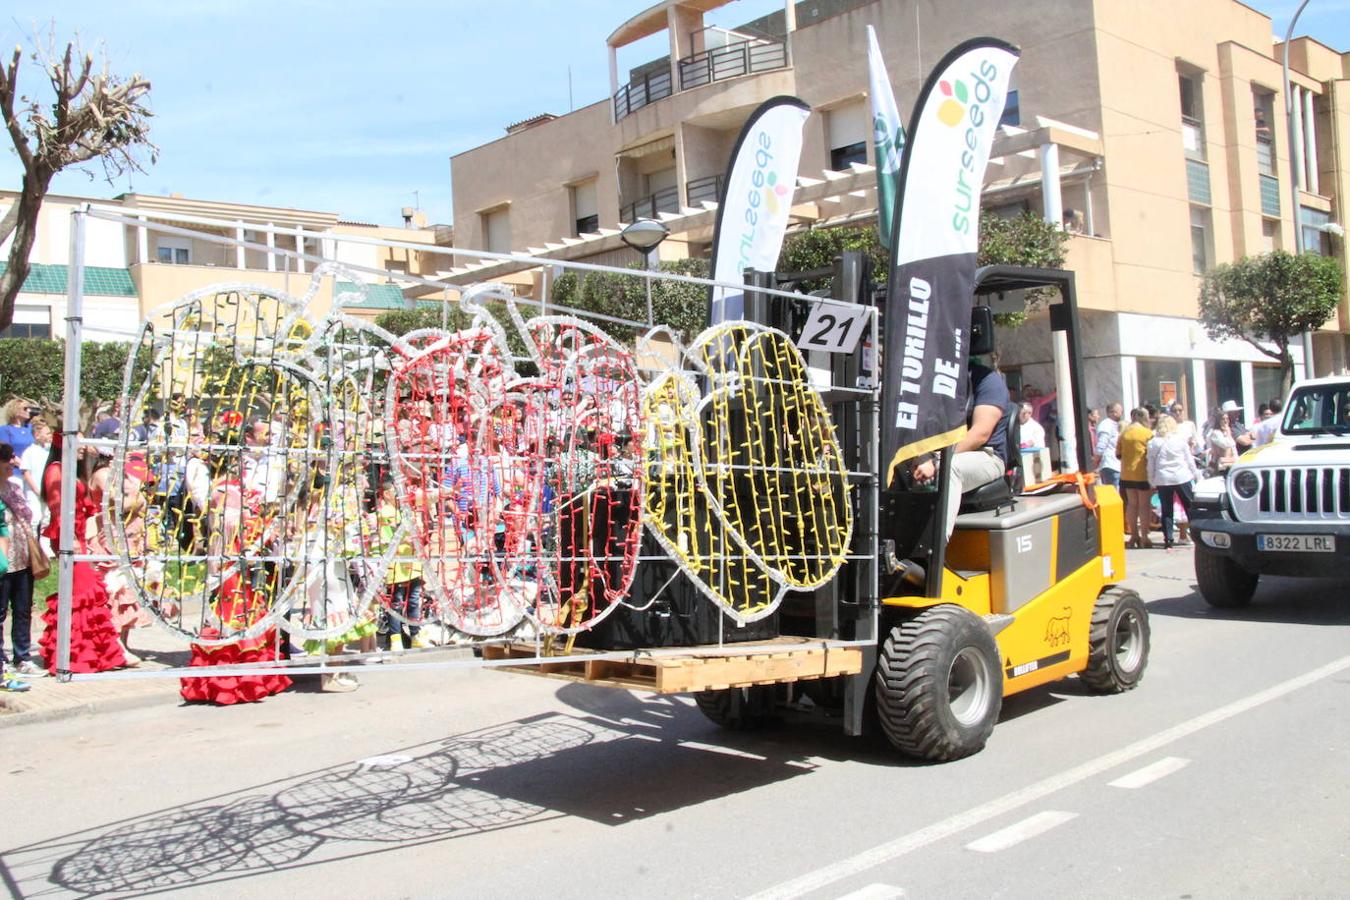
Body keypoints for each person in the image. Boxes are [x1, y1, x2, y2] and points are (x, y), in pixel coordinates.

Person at [37, 432, 126, 674]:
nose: (83, 448)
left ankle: (94, 654)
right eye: (78, 444)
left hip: (79, 538)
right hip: (69, 539)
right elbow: (58, 507)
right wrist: (71, 539)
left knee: (86, 593)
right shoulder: (56, 470)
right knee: (82, 594)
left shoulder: (72, 471)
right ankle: (76, 655)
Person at [911, 363, 1011, 538]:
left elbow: (980, 434)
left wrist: (935, 459)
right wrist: (920, 456)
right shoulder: (930, 379)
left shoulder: (987, 380)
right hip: (938, 454)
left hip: (986, 455)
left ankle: (935, 544)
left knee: (949, 469)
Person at [0, 444, 44, 679]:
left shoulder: (15, 487)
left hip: (23, 557)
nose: (11, 462)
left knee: (22, 610)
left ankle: (22, 657)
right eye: (6, 459)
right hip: (3, 560)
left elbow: (28, 515)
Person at [1147, 414, 1200, 550]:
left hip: (1163, 478)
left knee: (1167, 510)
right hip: (1181, 476)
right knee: (1189, 507)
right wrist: (1196, 475)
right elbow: (1189, 460)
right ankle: (1197, 535)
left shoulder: (1153, 443)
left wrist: (1151, 480)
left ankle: (1168, 539)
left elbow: (1150, 464)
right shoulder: (1179, 440)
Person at [1117, 408, 1155, 549]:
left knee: (1132, 504)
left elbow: (1118, 454)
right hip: (1142, 473)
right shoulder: (1147, 433)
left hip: (1126, 474)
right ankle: (1144, 536)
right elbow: (1151, 454)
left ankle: (1134, 535)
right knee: (1144, 505)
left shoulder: (1124, 433)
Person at [19, 418, 52, 534]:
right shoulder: (29, 452)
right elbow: (26, 472)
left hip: (47, 491)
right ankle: (32, 541)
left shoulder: (48, 451)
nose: (50, 435)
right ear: (37, 435)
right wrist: (36, 490)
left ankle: (43, 542)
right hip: (33, 491)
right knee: (35, 517)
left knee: (46, 518)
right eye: (47, 433)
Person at [1094, 403, 1123, 488]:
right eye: (1120, 411)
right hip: (1110, 465)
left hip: (1118, 465)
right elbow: (1101, 445)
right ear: (1113, 412)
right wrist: (1096, 462)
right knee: (1114, 492)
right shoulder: (1106, 425)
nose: (1121, 414)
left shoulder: (1116, 425)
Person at [1205, 408, 1239, 474]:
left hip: (1232, 462)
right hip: (1222, 466)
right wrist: (1228, 433)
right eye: (1223, 419)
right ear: (1219, 421)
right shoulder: (1215, 433)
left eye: (1227, 419)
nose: (1226, 421)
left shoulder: (1225, 432)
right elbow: (1227, 445)